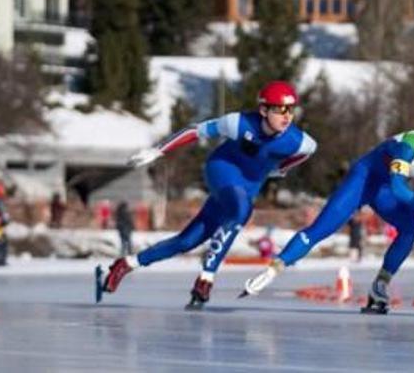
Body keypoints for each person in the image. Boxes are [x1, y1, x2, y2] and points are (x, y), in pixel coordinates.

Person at [99, 81, 316, 309]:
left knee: (187, 241)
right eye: (280, 109)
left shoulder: (298, 141)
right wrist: (158, 150)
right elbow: (195, 131)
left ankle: (125, 264)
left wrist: (281, 168)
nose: (287, 116)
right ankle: (206, 278)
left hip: (249, 185)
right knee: (242, 210)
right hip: (222, 170)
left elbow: (308, 152)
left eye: (290, 109)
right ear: (263, 110)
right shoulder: (238, 123)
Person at [240, 99, 414, 314]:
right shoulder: (409, 145)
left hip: (384, 189)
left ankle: (380, 285)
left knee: (410, 228)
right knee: (320, 230)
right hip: (363, 180)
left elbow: (397, 187)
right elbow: (399, 189)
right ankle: (272, 270)